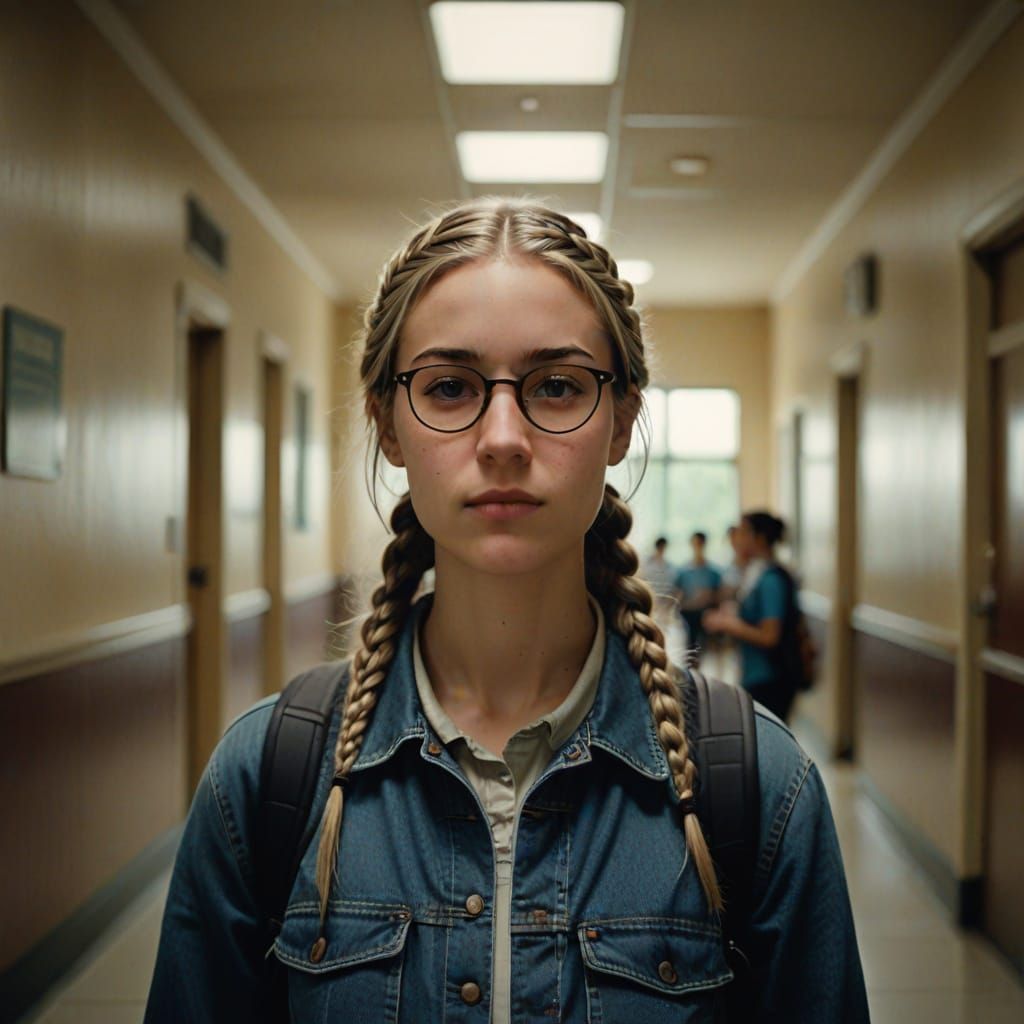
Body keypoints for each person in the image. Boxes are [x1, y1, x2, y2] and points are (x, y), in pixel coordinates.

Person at [144, 200, 868, 1022]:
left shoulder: (759, 790)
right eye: (449, 387)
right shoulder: (265, 782)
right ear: (387, 422)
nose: (501, 438)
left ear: (621, 421)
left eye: (556, 387)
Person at [703, 511, 799, 722]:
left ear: (760, 539)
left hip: (770, 679)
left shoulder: (770, 579)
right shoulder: (756, 573)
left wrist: (729, 624)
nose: (736, 538)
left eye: (743, 532)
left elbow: (769, 636)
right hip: (755, 674)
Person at [673, 531, 722, 658]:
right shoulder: (683, 572)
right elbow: (677, 595)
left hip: (706, 616)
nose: (697, 547)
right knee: (691, 649)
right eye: (695, 543)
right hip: (688, 615)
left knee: (706, 650)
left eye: (700, 543)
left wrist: (708, 596)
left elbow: (719, 597)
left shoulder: (714, 572)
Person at [640, 535, 677, 635]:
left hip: (663, 604)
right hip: (649, 600)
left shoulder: (668, 567)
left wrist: (666, 605)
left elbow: (671, 589)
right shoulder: (646, 564)